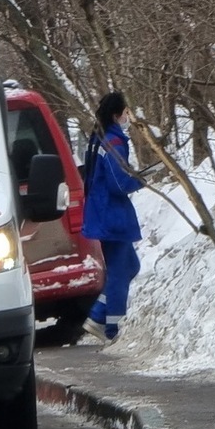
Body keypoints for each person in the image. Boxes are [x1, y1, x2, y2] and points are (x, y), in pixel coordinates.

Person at [81, 91, 144, 345]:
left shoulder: (101, 140)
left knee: (130, 266)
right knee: (120, 272)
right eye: (126, 112)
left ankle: (97, 317)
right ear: (118, 115)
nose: (128, 117)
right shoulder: (115, 143)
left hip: (103, 213)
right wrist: (137, 180)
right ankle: (112, 328)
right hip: (112, 217)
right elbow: (119, 183)